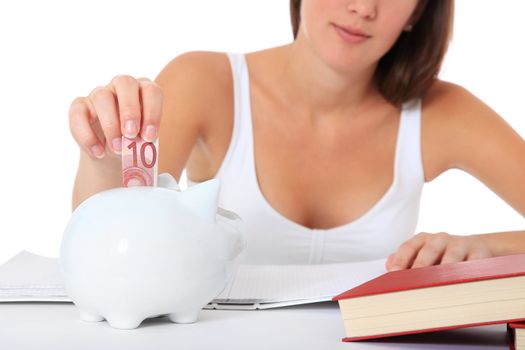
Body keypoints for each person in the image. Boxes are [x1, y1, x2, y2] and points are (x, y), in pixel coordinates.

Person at [68, 0, 525, 269]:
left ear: (417, 12)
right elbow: (108, 247)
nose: (363, 8)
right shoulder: (205, 81)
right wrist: (104, 158)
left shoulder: (442, 112)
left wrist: (488, 248)